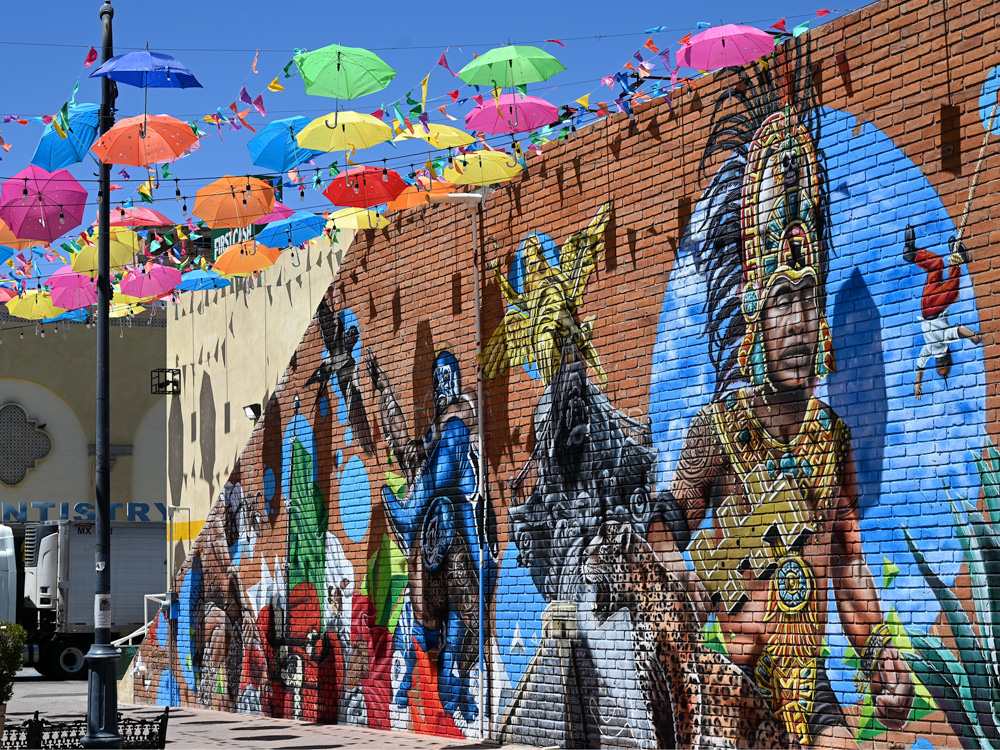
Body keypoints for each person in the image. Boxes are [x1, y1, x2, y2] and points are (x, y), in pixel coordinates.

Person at [659, 72, 914, 747]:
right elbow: (665, 530)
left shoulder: (834, 438)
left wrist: (879, 653)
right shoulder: (717, 430)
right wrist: (695, 587)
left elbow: (848, 559)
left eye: (808, 298)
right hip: (730, 685)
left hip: (809, 681)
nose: (799, 322)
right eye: (781, 300)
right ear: (754, 315)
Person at [366, 348, 496, 723]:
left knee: (441, 487)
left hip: (463, 528)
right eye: (437, 380)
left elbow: (454, 483)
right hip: (440, 528)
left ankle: (453, 684)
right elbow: (403, 445)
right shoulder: (433, 437)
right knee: (419, 602)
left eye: (446, 378)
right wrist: (383, 389)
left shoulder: (456, 430)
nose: (441, 387)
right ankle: (420, 677)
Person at [904, 226, 982, 398]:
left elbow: (959, 330)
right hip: (926, 304)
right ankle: (912, 254)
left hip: (934, 307)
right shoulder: (929, 350)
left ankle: (957, 258)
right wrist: (918, 383)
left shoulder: (942, 344)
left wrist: (973, 337)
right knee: (936, 265)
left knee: (952, 293)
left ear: (948, 356)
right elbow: (920, 366)